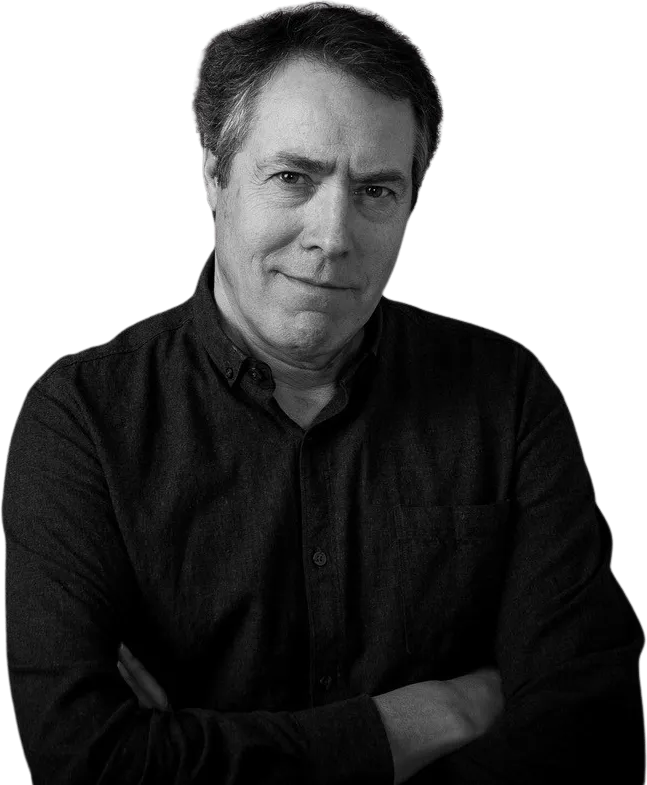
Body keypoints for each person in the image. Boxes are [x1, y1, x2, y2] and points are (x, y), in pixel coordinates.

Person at [4, 3, 644, 784]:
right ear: (212, 177)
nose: (333, 234)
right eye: (292, 178)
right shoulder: (80, 422)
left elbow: (588, 731)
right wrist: (419, 720)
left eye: (375, 190)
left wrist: (190, 755)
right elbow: (85, 761)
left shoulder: (506, 398)